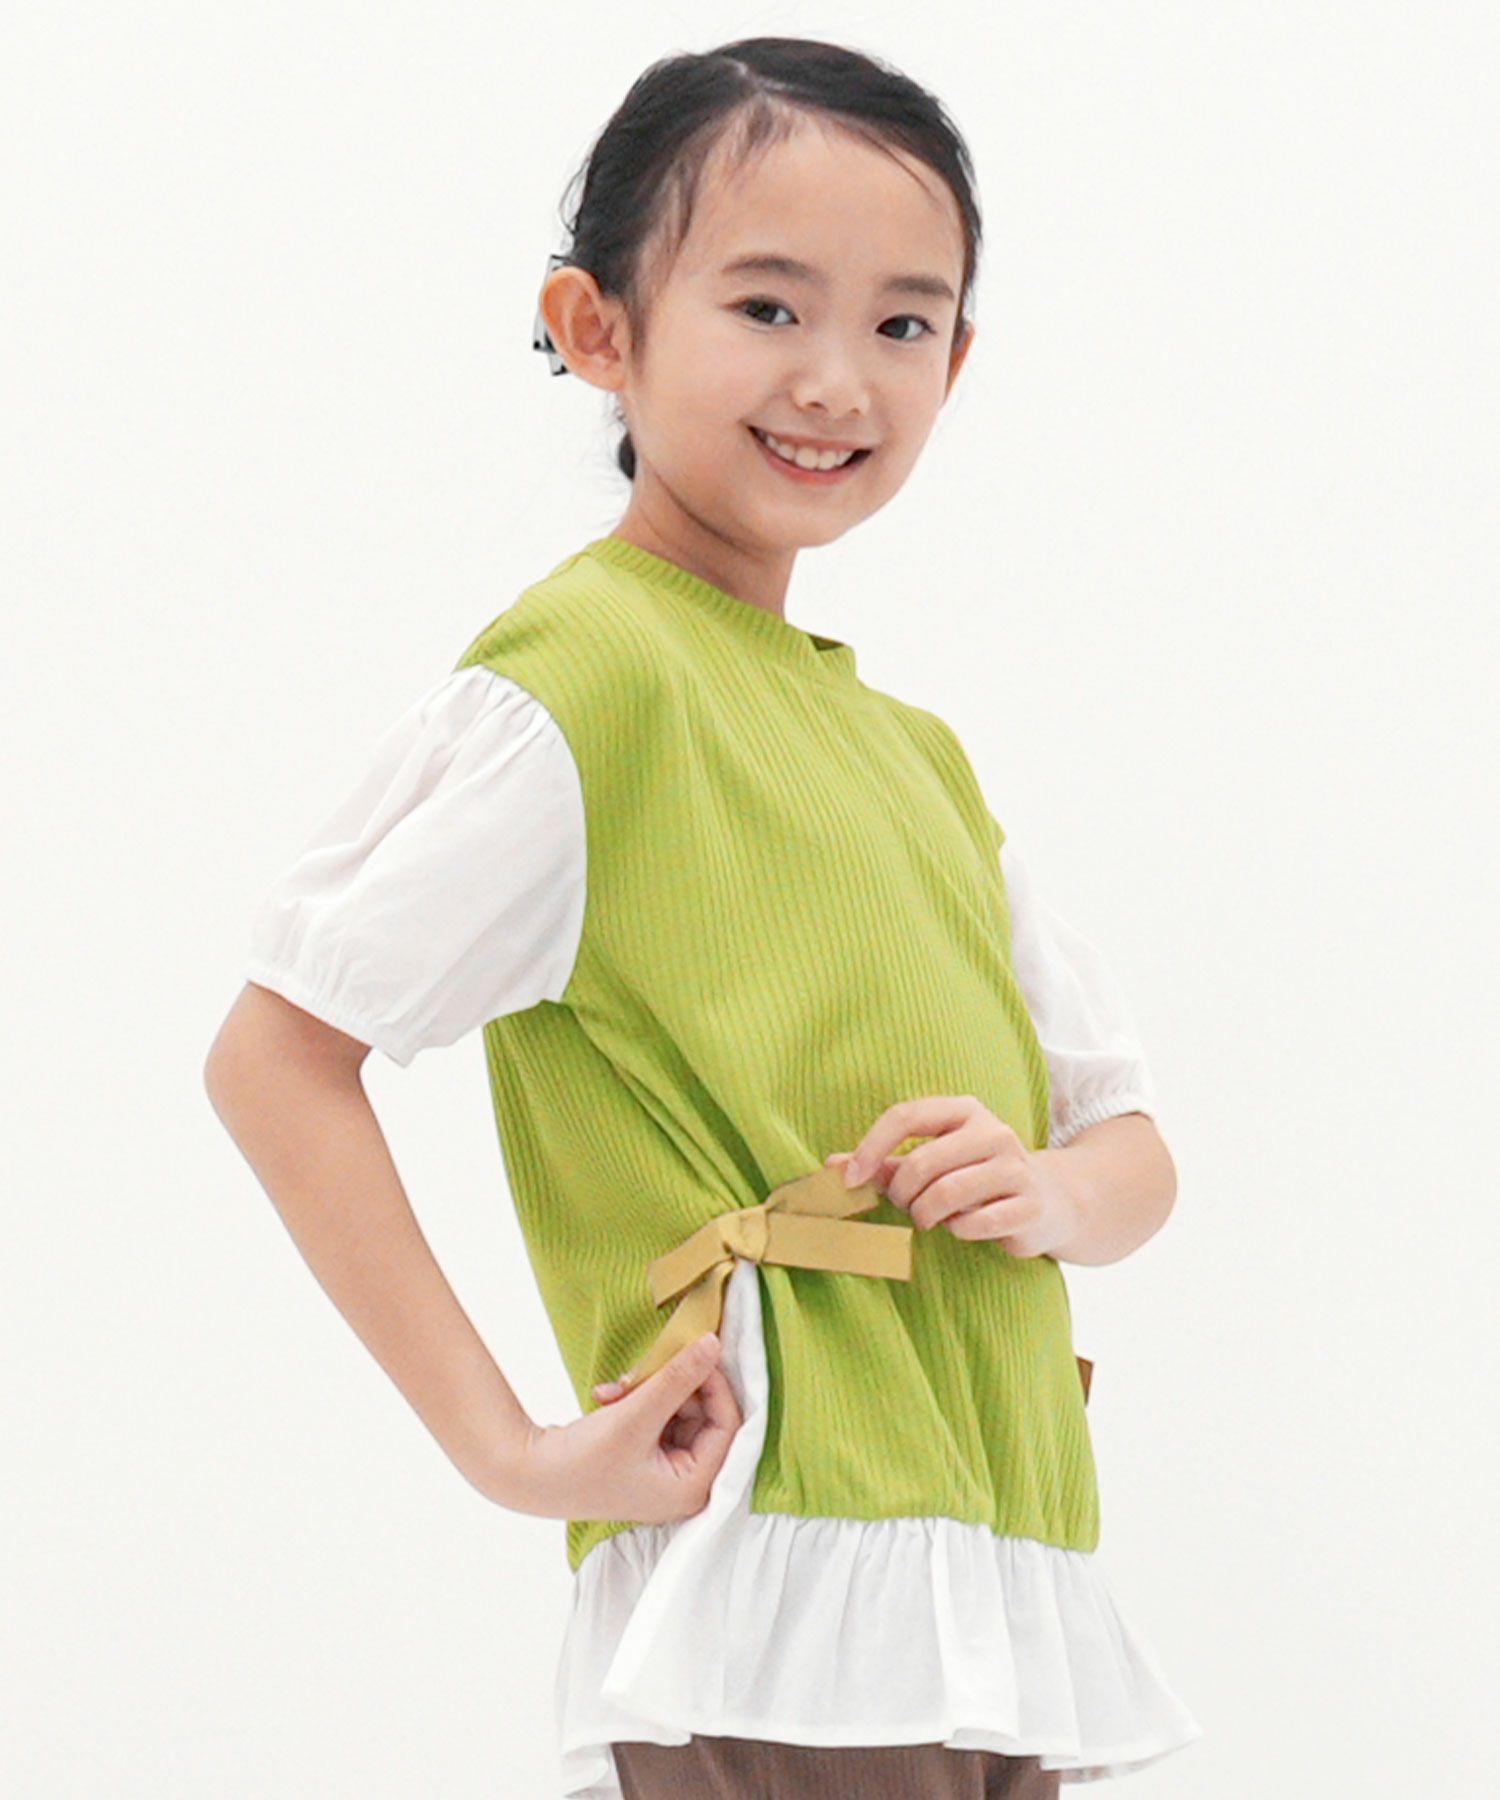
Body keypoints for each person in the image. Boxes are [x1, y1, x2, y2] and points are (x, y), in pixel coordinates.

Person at [204, 34, 1204, 1800]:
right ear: (599, 328)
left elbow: (1129, 1149)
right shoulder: (588, 683)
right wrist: (513, 1452)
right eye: (766, 305)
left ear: (959, 363)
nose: (836, 377)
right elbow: (277, 1059)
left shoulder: (915, 757)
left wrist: (1047, 1194)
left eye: (903, 323)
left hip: (991, 1580)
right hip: (776, 1579)